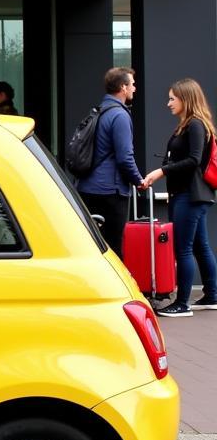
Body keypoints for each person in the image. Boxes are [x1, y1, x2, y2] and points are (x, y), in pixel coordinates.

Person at [141, 78, 217, 317]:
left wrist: (161, 170)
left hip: (190, 195)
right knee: (199, 246)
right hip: (192, 194)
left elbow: (194, 160)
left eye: (173, 98)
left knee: (183, 249)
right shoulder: (189, 124)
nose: (168, 103)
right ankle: (212, 296)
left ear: (186, 99)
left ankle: (182, 303)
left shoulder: (195, 125)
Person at [76, 67, 144, 256]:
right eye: (132, 84)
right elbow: (125, 158)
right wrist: (139, 181)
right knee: (113, 249)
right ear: (123, 87)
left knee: (92, 248)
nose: (134, 88)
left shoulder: (98, 111)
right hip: (110, 192)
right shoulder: (120, 115)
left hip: (87, 187)